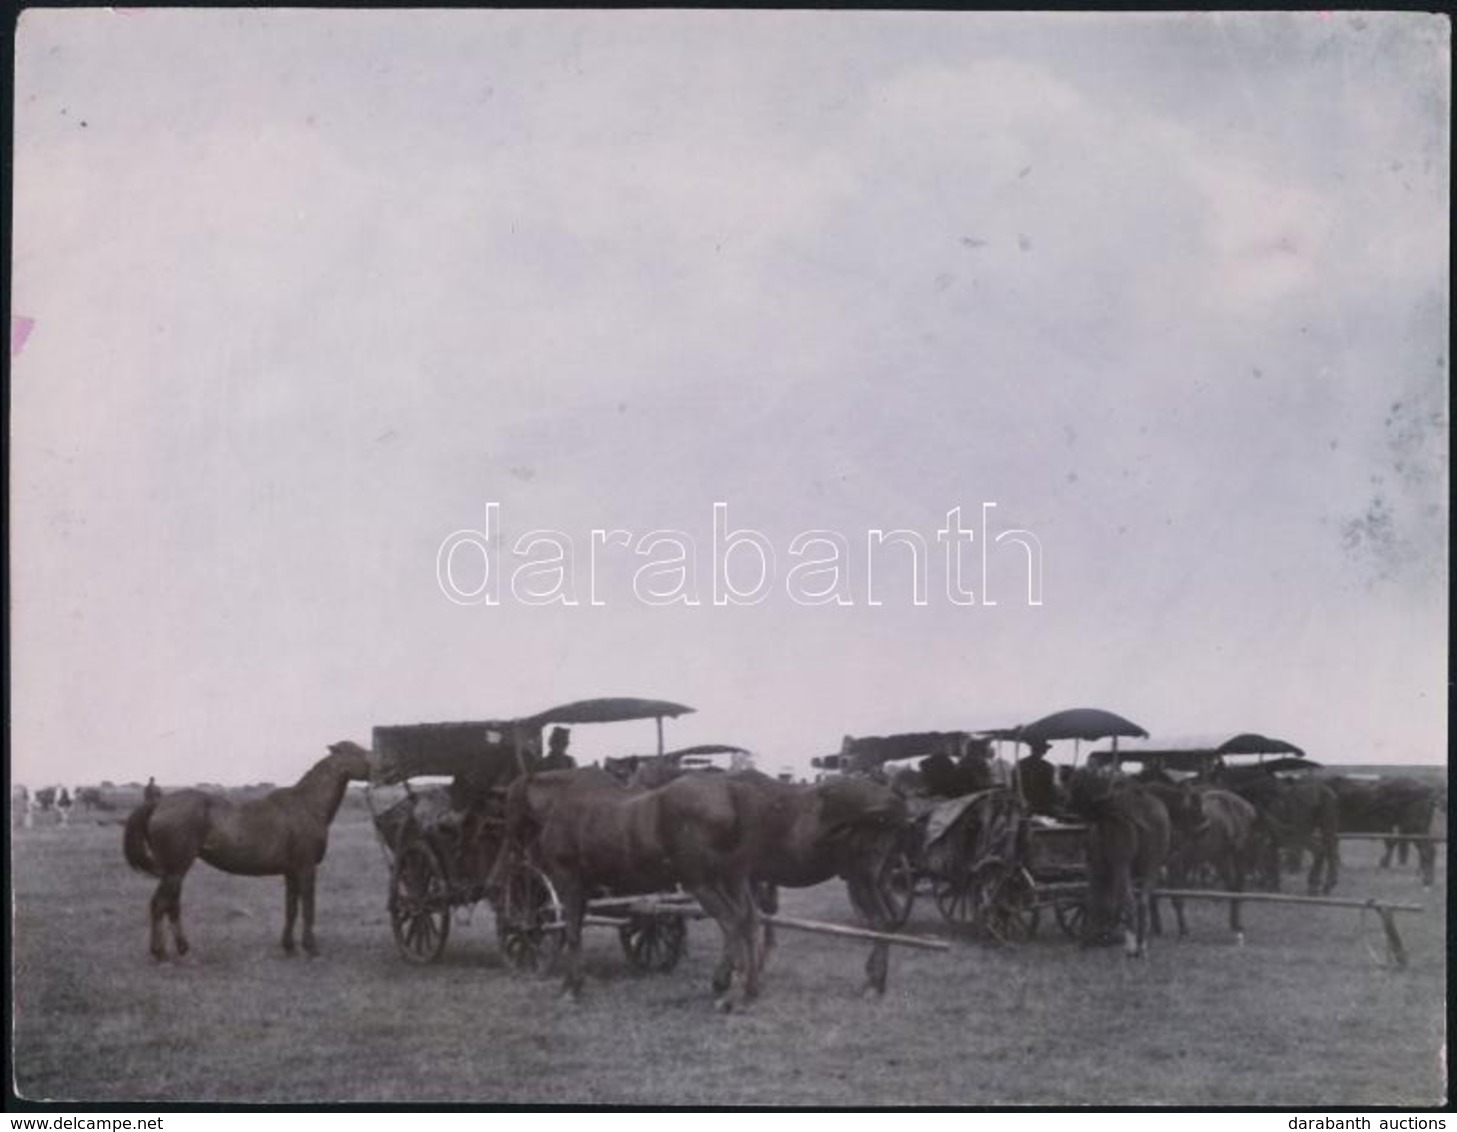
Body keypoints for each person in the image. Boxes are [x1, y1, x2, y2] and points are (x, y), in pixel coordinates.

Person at [1016, 739, 1059, 814]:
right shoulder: (1022, 765)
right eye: (1041, 749)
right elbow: (1016, 784)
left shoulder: (1048, 767)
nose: (1043, 752)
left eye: (1044, 750)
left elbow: (1050, 787)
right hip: (1028, 802)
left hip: (1039, 803)